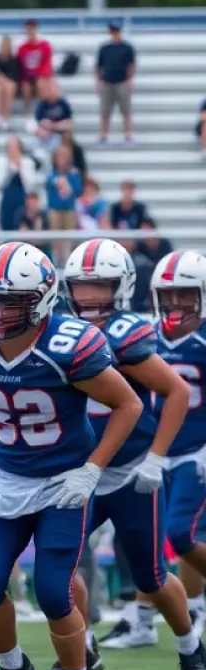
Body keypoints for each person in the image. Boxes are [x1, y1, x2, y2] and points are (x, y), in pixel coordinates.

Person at [0, 242, 143, 670]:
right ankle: (12, 666)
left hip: (64, 481)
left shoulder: (69, 344)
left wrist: (93, 469)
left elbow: (128, 405)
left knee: (55, 590)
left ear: (40, 300)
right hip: (7, 477)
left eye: (10, 301)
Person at [58, 239, 204, 670]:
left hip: (130, 470)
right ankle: (78, 648)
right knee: (57, 566)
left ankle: (190, 649)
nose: (89, 298)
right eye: (81, 287)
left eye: (100, 286)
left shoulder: (128, 332)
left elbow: (176, 392)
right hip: (81, 469)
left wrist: (156, 458)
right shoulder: (60, 331)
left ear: (121, 288)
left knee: (152, 575)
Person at [149, 251, 206, 644]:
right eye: (168, 294)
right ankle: (143, 617)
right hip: (152, 452)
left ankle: (192, 606)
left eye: (184, 294)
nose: (175, 303)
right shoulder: (143, 337)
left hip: (196, 450)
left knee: (180, 534)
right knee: (147, 540)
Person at [96, 20, 136, 144]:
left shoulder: (127, 48)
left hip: (122, 81)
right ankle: (103, 134)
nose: (114, 33)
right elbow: (98, 66)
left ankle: (128, 134)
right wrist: (98, 81)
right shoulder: (104, 48)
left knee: (126, 111)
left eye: (116, 30)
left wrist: (130, 80)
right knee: (105, 111)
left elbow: (131, 65)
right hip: (107, 82)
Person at [17, 19, 54, 114]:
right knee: (26, 87)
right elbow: (20, 66)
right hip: (27, 77)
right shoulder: (22, 47)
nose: (30, 32)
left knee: (42, 84)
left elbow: (47, 64)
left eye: (31, 30)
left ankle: (44, 112)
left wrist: (38, 75)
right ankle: (28, 113)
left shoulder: (44, 46)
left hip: (40, 75)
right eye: (27, 30)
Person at [0, 36, 21, 131]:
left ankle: (6, 117)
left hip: (10, 83)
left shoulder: (14, 60)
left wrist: (4, 79)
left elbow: (15, 75)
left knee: (9, 87)